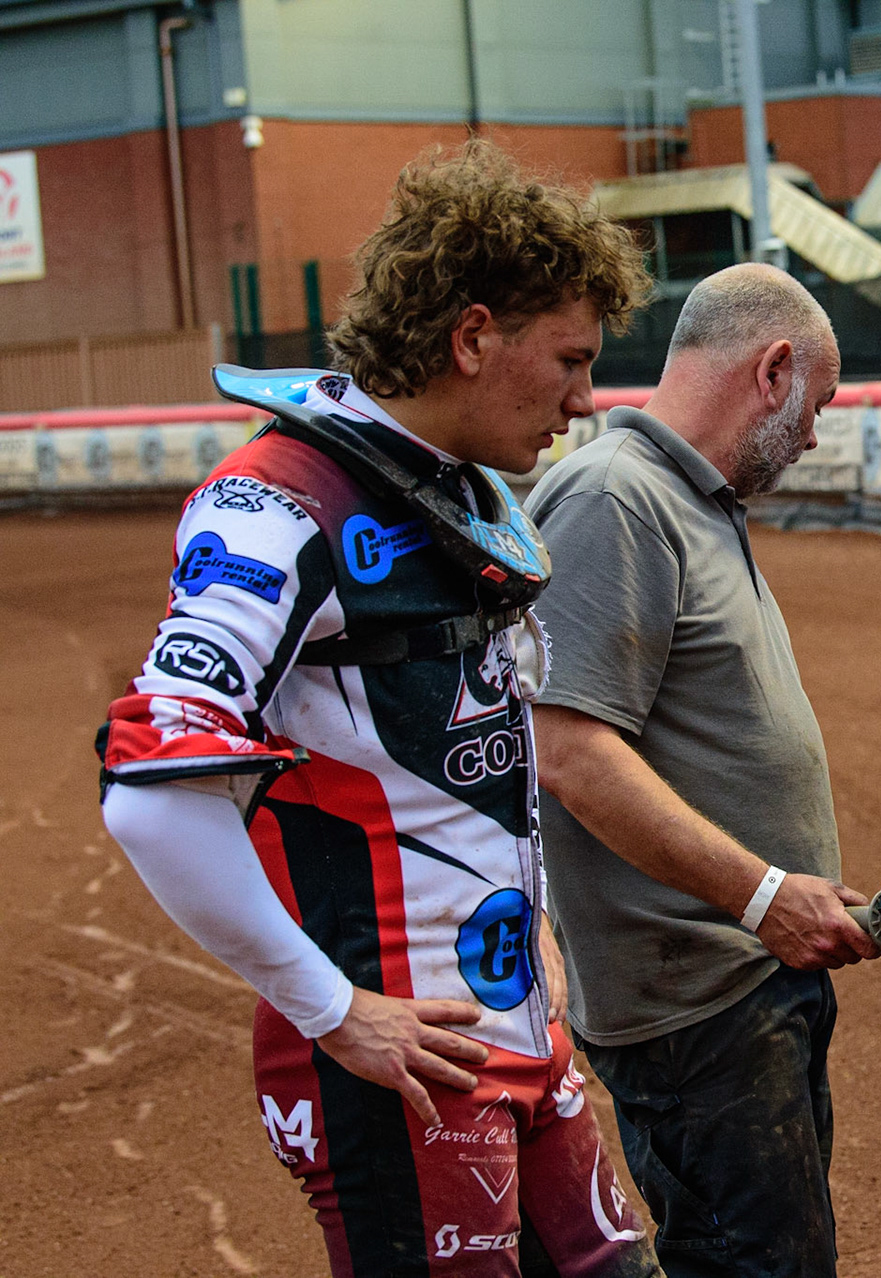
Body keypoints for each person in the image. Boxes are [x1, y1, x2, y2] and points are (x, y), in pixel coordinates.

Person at [96, 140, 659, 1276]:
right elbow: (150, 799)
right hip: (396, 1063)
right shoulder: (273, 505)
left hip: (511, 1033)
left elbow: (467, 763)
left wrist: (533, 940)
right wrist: (329, 1008)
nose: (585, 400)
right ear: (472, 337)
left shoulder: (454, 488)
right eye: (569, 360)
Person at [526, 263, 878, 1278]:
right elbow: (572, 752)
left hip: (746, 981)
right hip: (698, 1005)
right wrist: (763, 894)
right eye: (819, 402)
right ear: (773, 371)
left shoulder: (689, 500)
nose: (815, 434)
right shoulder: (614, 498)